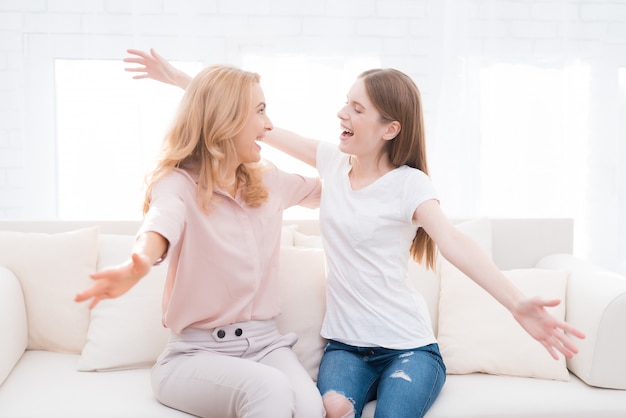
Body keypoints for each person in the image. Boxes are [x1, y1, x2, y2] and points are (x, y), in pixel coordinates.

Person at [124, 49, 586, 418]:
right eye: (346, 101)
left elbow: (452, 241)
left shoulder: (410, 184)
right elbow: (246, 122)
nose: (341, 111)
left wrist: (516, 301)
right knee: (328, 410)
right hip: (345, 346)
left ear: (389, 128)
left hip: (408, 345)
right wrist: (185, 81)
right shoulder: (330, 163)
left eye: (356, 107)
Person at [75, 64, 325, 418]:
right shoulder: (177, 184)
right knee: (268, 388)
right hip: (194, 355)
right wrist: (141, 261)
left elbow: (342, 182)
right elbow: (162, 221)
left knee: (311, 410)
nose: (268, 125)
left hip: (266, 344)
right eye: (259, 110)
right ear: (225, 118)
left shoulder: (270, 180)